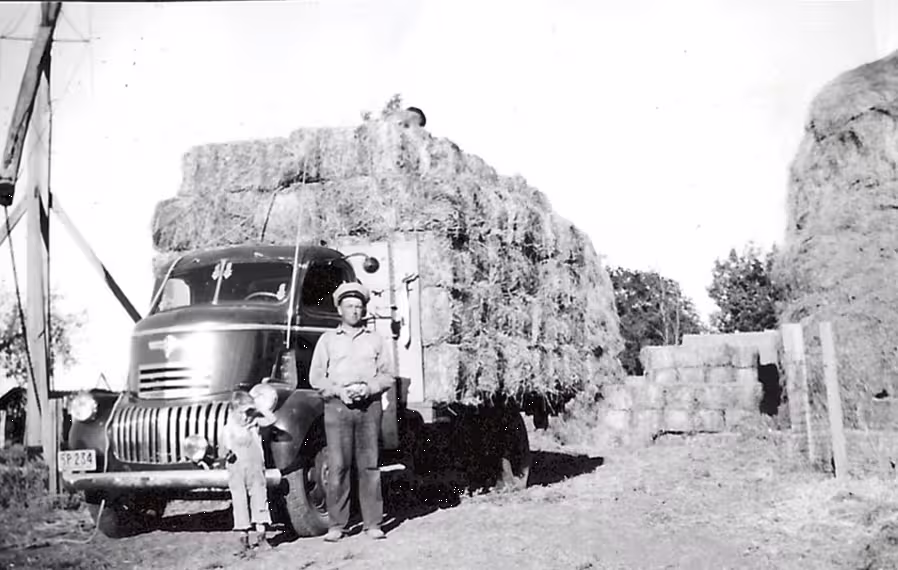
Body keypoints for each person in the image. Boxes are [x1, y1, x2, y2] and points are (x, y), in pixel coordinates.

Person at [309, 281, 396, 542]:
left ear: (364, 310)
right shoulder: (327, 341)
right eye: (349, 306)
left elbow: (388, 375)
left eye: (359, 306)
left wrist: (368, 389)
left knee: (369, 466)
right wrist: (339, 390)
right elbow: (315, 377)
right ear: (340, 310)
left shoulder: (376, 340)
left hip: (368, 408)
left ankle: (372, 524)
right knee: (338, 466)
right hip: (337, 408)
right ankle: (337, 525)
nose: (355, 311)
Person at [221, 387, 277, 553]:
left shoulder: (254, 424)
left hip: (255, 470)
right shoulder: (228, 429)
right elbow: (222, 450)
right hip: (237, 470)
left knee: (260, 499)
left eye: (248, 412)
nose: (244, 416)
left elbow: (272, 419)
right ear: (232, 411)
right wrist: (227, 452)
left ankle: (262, 537)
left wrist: (258, 408)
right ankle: (243, 540)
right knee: (239, 502)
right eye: (241, 413)